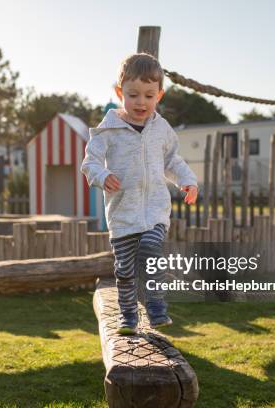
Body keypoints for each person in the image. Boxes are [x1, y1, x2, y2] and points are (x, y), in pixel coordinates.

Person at [81, 53, 198, 335]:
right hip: (123, 216)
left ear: (160, 94)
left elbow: (172, 160)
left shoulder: (161, 129)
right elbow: (90, 163)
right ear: (120, 93)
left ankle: (156, 308)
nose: (141, 102)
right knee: (125, 270)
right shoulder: (108, 130)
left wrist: (188, 181)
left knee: (150, 249)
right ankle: (128, 317)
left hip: (155, 210)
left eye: (149, 95)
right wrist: (102, 175)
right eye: (133, 95)